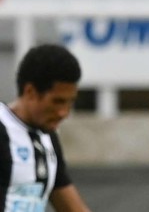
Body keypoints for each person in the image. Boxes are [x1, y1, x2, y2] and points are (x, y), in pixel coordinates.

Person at [0, 44, 91, 212]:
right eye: (57, 101)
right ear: (30, 92)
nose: (64, 112)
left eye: (70, 102)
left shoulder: (47, 137)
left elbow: (71, 206)